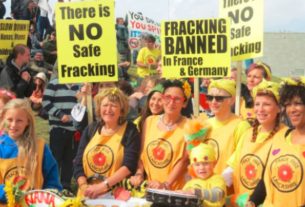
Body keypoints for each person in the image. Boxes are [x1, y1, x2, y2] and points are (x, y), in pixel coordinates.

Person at [247, 78, 305, 207]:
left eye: (298, 103)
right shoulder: (280, 136)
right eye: (288, 104)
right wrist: (253, 201)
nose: (292, 109)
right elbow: (266, 178)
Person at [73, 87, 140, 198]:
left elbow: (129, 165)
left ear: (121, 110)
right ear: (99, 108)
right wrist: (84, 186)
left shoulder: (130, 131)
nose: (108, 109)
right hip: (87, 195)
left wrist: (102, 187)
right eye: (105, 105)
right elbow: (78, 162)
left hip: (116, 196)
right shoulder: (91, 129)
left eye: (113, 106)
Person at [229, 80, 287, 206]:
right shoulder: (248, 133)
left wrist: (254, 201)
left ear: (279, 108)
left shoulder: (285, 136)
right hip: (242, 202)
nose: (260, 109)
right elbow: (233, 166)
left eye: (266, 104)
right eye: (257, 104)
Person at [130, 79, 191, 190]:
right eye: (168, 97)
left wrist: (165, 184)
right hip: (150, 188)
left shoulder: (190, 126)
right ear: (162, 98)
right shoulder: (149, 121)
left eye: (177, 99)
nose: (171, 102)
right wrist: (139, 173)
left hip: (175, 190)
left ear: (184, 103)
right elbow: (141, 153)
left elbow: (184, 161)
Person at [0, 99, 62, 205]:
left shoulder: (40, 148)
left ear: (28, 121)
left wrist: (47, 199)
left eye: (19, 120)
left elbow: (52, 180)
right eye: (9, 119)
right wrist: (5, 192)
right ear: (3, 119)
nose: (13, 125)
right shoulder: (1, 147)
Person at [204, 79, 250, 176]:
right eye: (210, 97)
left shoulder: (241, 126)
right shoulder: (205, 124)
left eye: (219, 98)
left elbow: (241, 157)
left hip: (228, 187)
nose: (213, 102)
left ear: (232, 100)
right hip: (204, 186)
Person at [42, 78, 79, 190]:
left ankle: (66, 185)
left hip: (74, 130)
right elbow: (46, 101)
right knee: (56, 158)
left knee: (70, 158)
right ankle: (53, 185)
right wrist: (59, 114)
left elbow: (83, 105)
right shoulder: (54, 83)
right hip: (58, 128)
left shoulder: (81, 84)